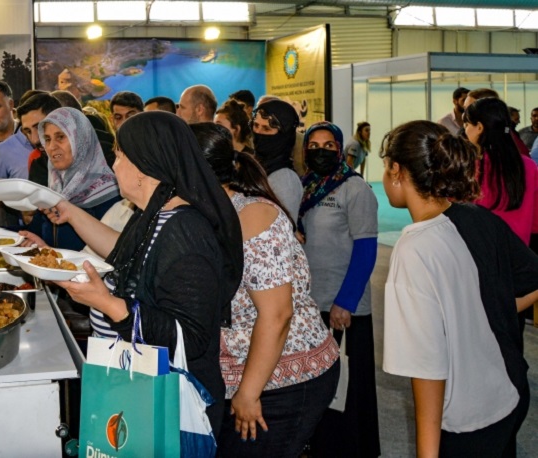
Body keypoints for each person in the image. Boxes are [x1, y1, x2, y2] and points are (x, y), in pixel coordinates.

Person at [47, 111, 244, 437]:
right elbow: (126, 257)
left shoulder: (186, 231)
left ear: (144, 168)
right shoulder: (155, 216)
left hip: (165, 407)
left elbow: (190, 338)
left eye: (120, 156)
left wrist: (108, 304)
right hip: (136, 389)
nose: (114, 166)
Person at [381, 120, 536, 458]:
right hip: (507, 394)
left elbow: (427, 371)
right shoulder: (475, 217)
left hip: (467, 419)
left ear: (396, 170)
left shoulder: (414, 250)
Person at [190, 123, 338, 457]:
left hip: (281, 379)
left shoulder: (252, 215)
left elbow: (277, 314)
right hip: (238, 376)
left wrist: (248, 393)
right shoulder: (204, 213)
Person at [298, 121, 380, 458]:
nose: (321, 151)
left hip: (344, 307)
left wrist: (344, 302)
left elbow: (366, 250)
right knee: (318, 387)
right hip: (311, 304)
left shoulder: (354, 189)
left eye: (328, 145)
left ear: (340, 147)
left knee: (346, 392)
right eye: (313, 146)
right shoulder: (306, 187)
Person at [27, 107, 120, 250]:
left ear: (80, 140)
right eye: (47, 139)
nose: (52, 146)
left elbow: (114, 253)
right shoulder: (57, 187)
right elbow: (35, 232)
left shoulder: (110, 193)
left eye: (61, 137)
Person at [463, 97, 538, 246]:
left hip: (480, 255)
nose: (465, 130)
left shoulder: (470, 168)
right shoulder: (529, 166)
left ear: (479, 127)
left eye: (466, 124)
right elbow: (535, 223)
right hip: (519, 255)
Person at [250, 100, 303, 222]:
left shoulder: (284, 179)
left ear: (283, 136)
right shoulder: (256, 166)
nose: (258, 133)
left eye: (266, 129)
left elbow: (282, 228)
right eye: (256, 125)